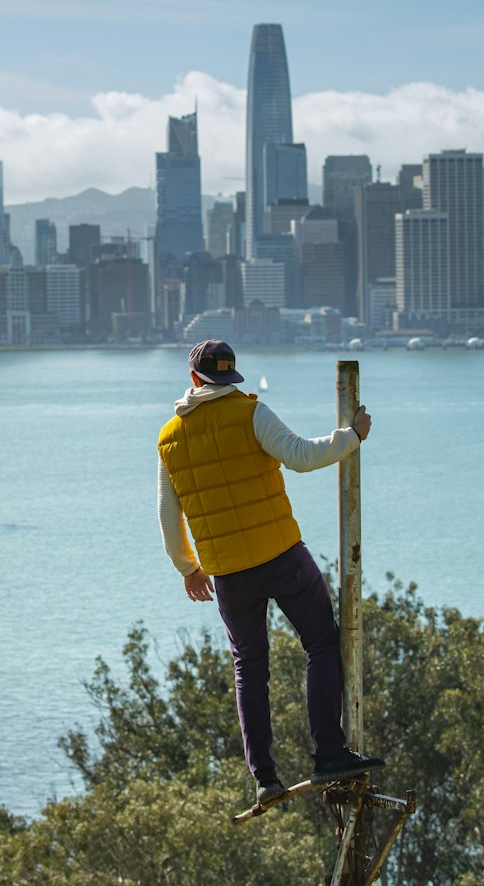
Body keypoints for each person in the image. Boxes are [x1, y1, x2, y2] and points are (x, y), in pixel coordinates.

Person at [157, 339, 383, 806]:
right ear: (230, 378)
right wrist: (353, 435)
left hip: (227, 573)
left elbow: (167, 512)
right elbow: (302, 455)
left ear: (194, 378)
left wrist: (188, 568)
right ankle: (329, 753)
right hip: (281, 554)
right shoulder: (250, 412)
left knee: (249, 668)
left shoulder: (168, 438)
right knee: (321, 643)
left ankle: (265, 777)